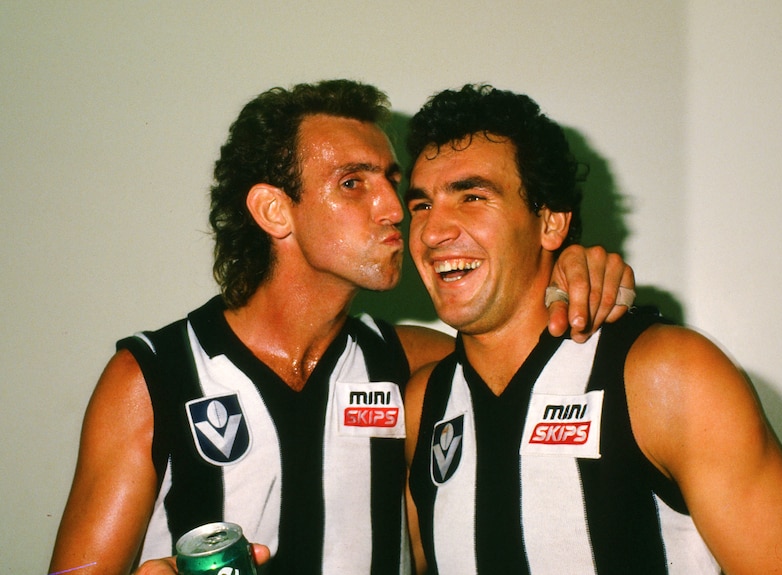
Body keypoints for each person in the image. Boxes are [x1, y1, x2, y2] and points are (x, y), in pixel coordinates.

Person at [48, 80, 635, 575]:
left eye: (391, 182)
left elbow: (527, 347)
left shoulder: (412, 365)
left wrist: (569, 264)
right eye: (354, 183)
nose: (395, 208)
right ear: (275, 210)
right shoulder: (154, 377)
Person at [403, 84, 782, 574]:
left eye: (471, 196)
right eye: (421, 205)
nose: (433, 231)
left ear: (550, 223)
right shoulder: (424, 402)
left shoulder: (667, 375)